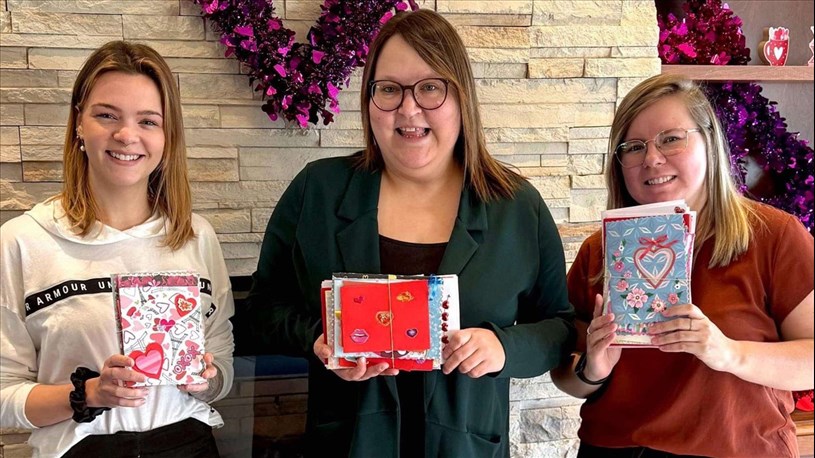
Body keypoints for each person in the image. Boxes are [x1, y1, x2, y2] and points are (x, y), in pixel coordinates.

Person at [245, 9, 575, 458]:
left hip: (467, 447)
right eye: (388, 89)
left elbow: (560, 328)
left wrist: (504, 347)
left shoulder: (517, 208)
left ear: (461, 97)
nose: (408, 108)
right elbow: (261, 311)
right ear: (369, 100)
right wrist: (319, 339)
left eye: (430, 88)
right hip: (346, 445)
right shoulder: (316, 192)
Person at [550, 74, 814, 458]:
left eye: (671, 139)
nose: (652, 158)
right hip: (615, 449)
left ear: (709, 141)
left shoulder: (774, 236)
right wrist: (593, 369)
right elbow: (564, 375)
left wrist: (728, 353)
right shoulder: (601, 251)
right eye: (633, 147)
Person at [0, 41, 235, 457]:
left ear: (167, 136)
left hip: (190, 445)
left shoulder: (197, 237)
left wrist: (205, 380)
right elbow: (4, 396)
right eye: (107, 115)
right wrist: (89, 393)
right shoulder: (22, 241)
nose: (127, 135)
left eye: (148, 121)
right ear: (78, 124)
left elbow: (223, 371)